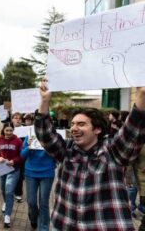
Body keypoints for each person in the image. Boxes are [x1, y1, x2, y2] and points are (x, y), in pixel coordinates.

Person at [34, 78, 145, 230]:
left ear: (97, 129)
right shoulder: (66, 150)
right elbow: (45, 135)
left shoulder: (112, 151)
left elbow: (131, 130)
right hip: (65, 225)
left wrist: (141, 96)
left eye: (81, 124)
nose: (73, 128)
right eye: (72, 124)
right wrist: (45, 101)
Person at [20, 136, 56, 231]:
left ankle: (44, 227)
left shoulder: (54, 136)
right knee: (31, 202)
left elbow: (59, 156)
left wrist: (52, 149)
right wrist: (28, 147)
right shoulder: (30, 135)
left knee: (44, 202)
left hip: (47, 173)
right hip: (30, 173)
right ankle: (34, 219)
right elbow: (22, 155)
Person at [0, 122, 23, 228]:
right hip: (3, 168)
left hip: (14, 169)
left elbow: (21, 155)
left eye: (11, 130)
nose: (9, 132)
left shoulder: (18, 141)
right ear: (3, 130)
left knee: (9, 191)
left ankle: (7, 216)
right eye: (7, 130)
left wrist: (14, 161)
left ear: (13, 130)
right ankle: (5, 202)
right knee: (3, 189)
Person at [10, 112, 24, 203]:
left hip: (20, 157)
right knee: (6, 174)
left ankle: (18, 193)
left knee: (20, 175)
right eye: (15, 118)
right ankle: (7, 191)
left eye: (19, 118)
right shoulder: (8, 128)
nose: (17, 119)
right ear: (12, 119)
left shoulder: (25, 129)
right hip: (7, 156)